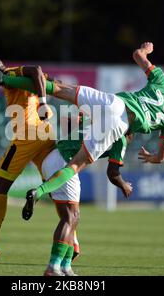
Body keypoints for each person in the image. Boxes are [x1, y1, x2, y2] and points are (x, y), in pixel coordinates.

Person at [0, 42, 164, 220]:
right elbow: (162, 157)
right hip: (120, 124)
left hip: (113, 101)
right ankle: (40, 191)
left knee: (58, 88)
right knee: (75, 166)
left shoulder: (162, 81)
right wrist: (152, 157)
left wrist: (146, 49)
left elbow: (137, 55)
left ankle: (5, 79)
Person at [0, 56, 83, 265]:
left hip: (27, 136)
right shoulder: (13, 80)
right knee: (57, 189)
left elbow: (36, 69)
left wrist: (44, 102)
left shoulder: (10, 73)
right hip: (45, 134)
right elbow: (45, 78)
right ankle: (72, 241)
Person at [41, 115, 133, 276]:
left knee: (71, 218)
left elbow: (72, 119)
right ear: (130, 133)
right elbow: (113, 173)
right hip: (65, 162)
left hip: (51, 158)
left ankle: (65, 267)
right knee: (71, 217)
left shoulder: (100, 121)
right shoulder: (121, 138)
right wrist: (124, 185)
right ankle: (53, 267)